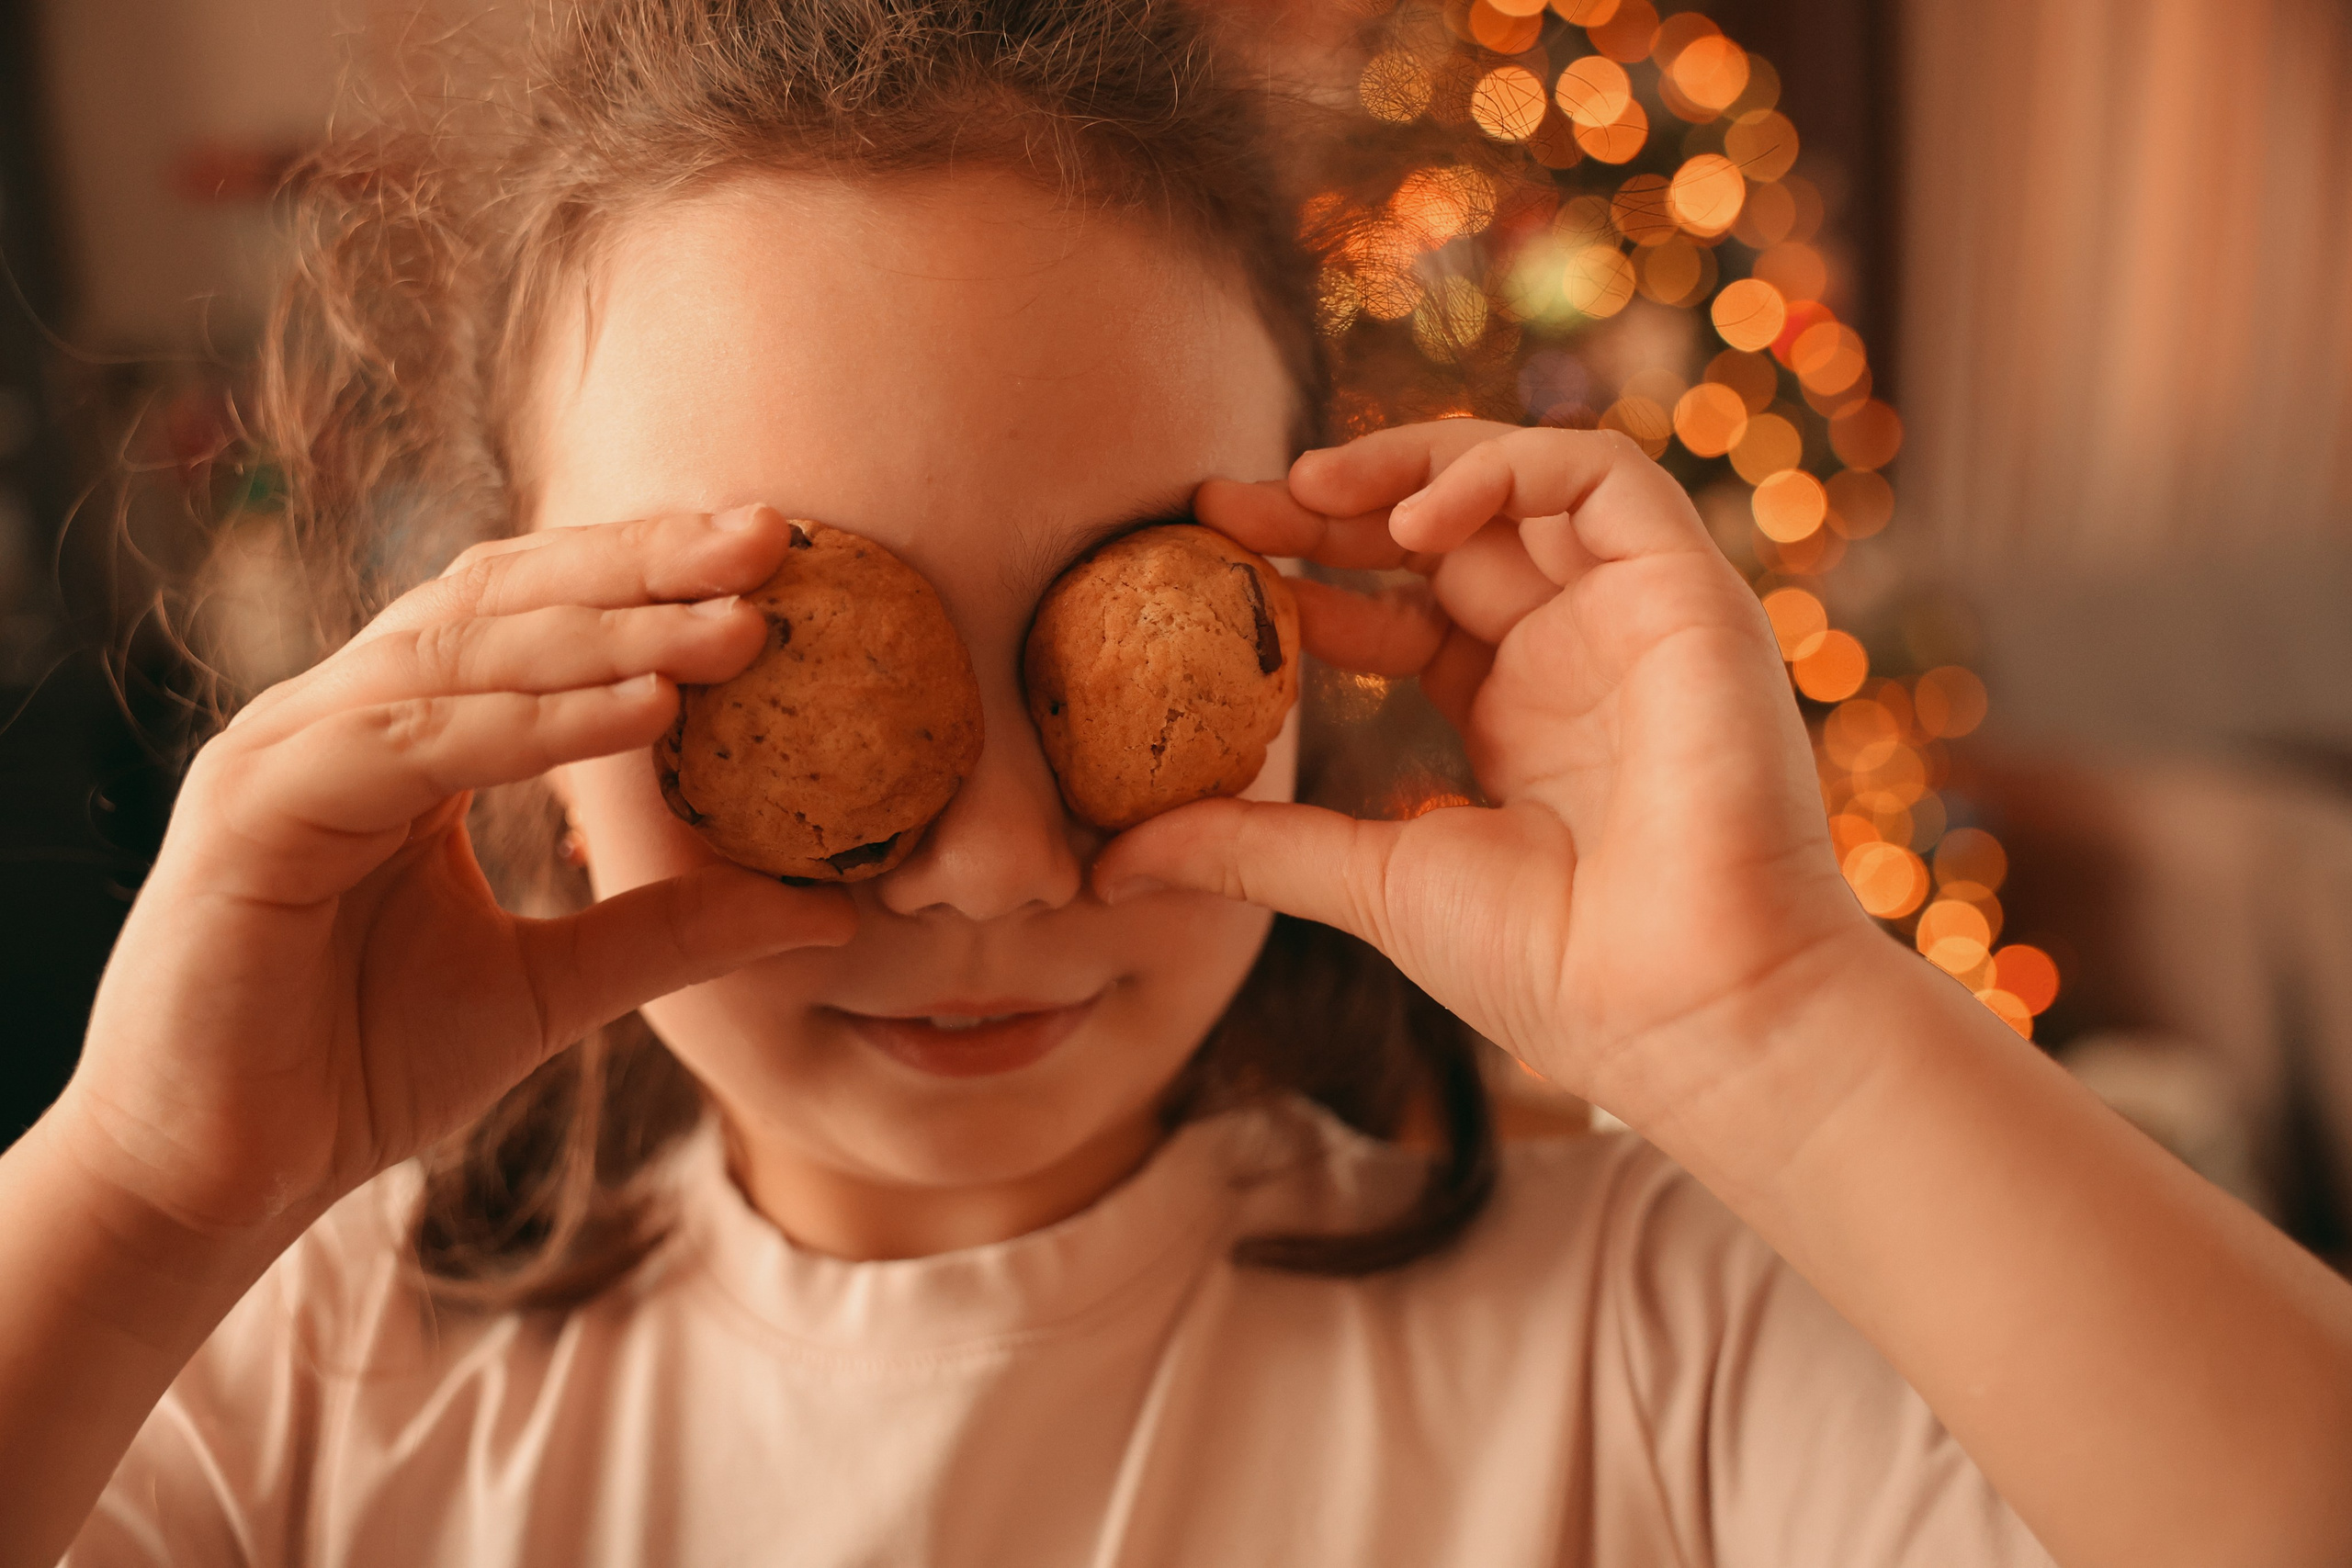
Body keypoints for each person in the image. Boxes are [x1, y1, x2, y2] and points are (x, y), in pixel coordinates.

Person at [4, 3, 2347, 1564]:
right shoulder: (296, 1395)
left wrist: (1785, 1033)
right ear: (527, 699)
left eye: (1118, 629)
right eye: (764, 661)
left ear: (1303, 632)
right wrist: (129, 1198)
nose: (1006, 862)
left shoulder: (1652, 1355)